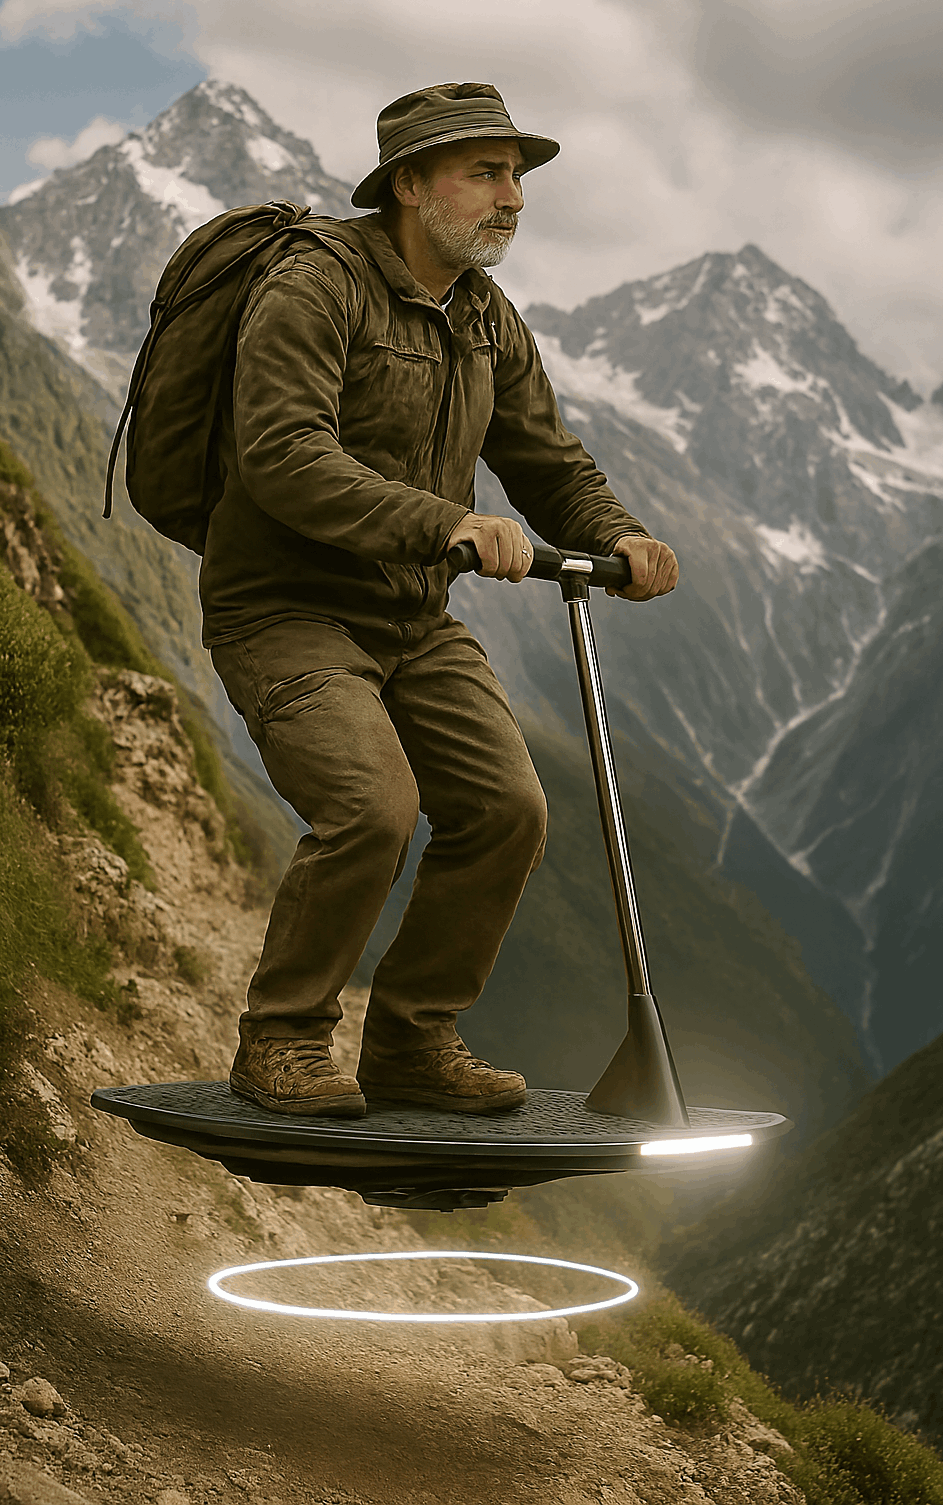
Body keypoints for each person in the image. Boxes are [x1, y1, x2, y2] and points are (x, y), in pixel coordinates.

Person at [200, 82, 679, 1119]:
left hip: (412, 619)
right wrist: (444, 524)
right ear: (410, 185)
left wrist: (617, 535)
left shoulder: (483, 314)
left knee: (505, 811)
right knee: (373, 806)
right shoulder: (314, 286)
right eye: (488, 172)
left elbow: (545, 459)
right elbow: (282, 457)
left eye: (517, 175)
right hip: (284, 611)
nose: (514, 196)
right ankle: (280, 1041)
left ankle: (412, 1042)